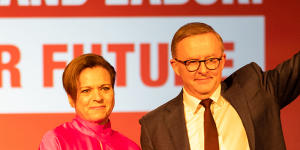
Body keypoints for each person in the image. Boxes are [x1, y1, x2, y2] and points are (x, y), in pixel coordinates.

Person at [139, 22, 300, 150]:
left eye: (211, 60)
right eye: (192, 62)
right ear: (175, 66)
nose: (203, 70)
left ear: (223, 61)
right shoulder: (155, 126)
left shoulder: (255, 89)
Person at [39, 54, 141, 150]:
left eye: (105, 88)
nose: (98, 97)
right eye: (86, 91)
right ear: (71, 99)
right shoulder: (56, 141)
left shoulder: (130, 147)